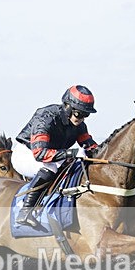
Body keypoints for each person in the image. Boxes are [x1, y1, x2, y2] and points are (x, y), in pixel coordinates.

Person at [13, 84, 99, 228]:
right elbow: (40, 153)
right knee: (51, 166)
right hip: (26, 153)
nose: (82, 118)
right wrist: (72, 153)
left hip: (52, 154)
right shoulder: (45, 117)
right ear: (67, 107)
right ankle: (25, 211)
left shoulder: (79, 125)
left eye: (86, 114)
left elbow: (91, 147)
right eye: (79, 113)